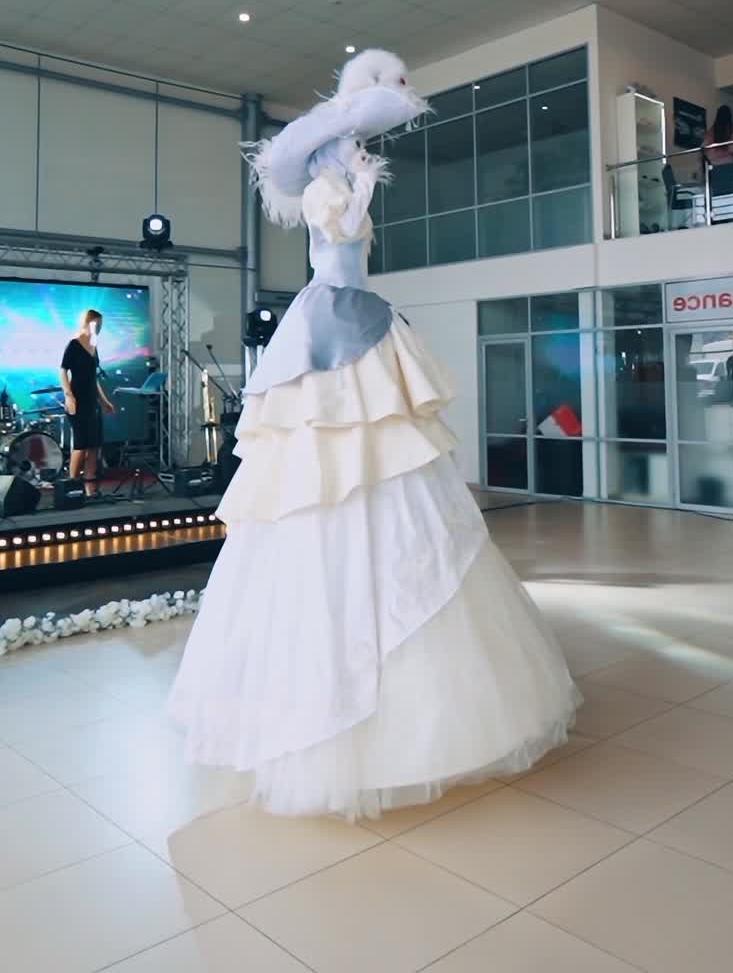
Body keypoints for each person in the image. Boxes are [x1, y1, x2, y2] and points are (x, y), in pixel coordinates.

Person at [168, 49, 579, 819]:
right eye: (356, 142)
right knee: (336, 464)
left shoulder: (344, 182)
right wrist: (355, 183)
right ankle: (324, 716)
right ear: (334, 147)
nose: (366, 154)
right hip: (333, 325)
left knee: (385, 464)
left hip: (357, 322)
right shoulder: (333, 189)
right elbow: (343, 241)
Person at [61, 309, 116, 499]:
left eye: (101, 325)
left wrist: (105, 400)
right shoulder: (74, 344)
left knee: (94, 445)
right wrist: (69, 395)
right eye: (96, 324)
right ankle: (72, 487)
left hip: (92, 400)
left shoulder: (94, 345)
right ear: (87, 323)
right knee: (81, 443)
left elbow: (94, 378)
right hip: (77, 399)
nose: (99, 328)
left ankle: (90, 488)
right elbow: (63, 371)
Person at [703, 105, 733, 196]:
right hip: (728, 167)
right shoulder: (729, 129)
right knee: (730, 195)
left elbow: (705, 150)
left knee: (718, 196)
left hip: (715, 168)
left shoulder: (711, 132)